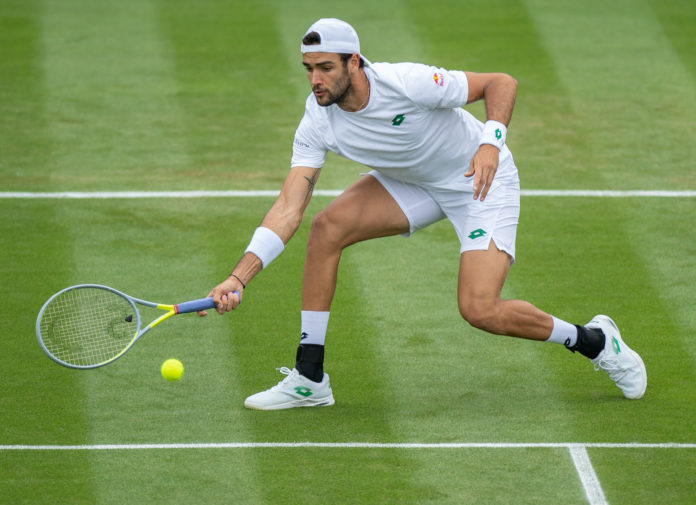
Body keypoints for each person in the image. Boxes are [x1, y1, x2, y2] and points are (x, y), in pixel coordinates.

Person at [198, 18, 647, 410]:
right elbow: (288, 207)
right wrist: (239, 277)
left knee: (479, 308)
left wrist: (491, 142)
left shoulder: (407, 82)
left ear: (355, 62)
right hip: (413, 181)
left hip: (479, 181)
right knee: (326, 227)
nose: (315, 80)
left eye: (325, 68)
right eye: (309, 69)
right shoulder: (317, 121)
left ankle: (595, 342)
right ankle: (309, 379)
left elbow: (500, 83)